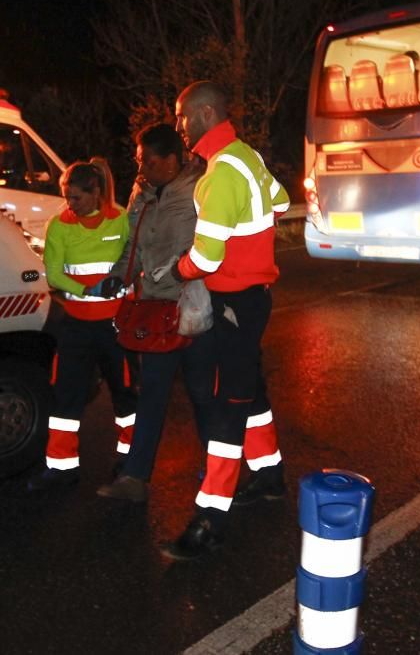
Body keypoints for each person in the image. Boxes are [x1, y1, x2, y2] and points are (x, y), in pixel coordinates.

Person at [160, 81, 291, 560]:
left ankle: (210, 520)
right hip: (253, 299)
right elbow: (279, 202)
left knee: (228, 405)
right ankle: (270, 475)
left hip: (234, 303)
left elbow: (207, 258)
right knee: (249, 389)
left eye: (182, 115)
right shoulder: (246, 157)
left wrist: (178, 269)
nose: (179, 125)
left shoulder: (218, 174)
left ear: (206, 112)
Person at [96, 124, 214, 502]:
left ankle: (219, 473)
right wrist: (118, 277)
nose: (140, 165)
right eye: (139, 158)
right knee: (152, 394)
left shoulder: (202, 187)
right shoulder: (141, 191)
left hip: (194, 306)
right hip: (155, 307)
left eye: (147, 159)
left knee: (202, 393)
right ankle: (135, 478)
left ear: (171, 160)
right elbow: (132, 243)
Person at [27, 158, 135, 491]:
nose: (69, 205)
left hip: (117, 326)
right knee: (65, 398)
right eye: (67, 197)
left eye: (76, 197)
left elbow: (135, 260)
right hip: (76, 325)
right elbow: (55, 275)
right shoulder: (59, 225)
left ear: (96, 192)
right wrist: (88, 289)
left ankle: (130, 462)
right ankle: (61, 467)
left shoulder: (121, 221)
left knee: (126, 397)